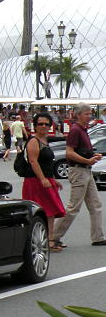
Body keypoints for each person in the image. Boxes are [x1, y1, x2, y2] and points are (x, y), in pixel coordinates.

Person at [52, 103, 106, 247]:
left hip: (85, 170)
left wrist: (92, 156)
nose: (89, 116)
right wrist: (88, 160)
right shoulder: (76, 130)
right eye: (86, 114)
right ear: (78, 115)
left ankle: (98, 237)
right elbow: (69, 153)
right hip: (79, 170)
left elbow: (79, 151)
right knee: (73, 207)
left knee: (95, 205)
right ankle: (54, 236)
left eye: (90, 113)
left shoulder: (82, 130)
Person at [21, 113, 66, 251]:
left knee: (50, 212)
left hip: (46, 180)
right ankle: (47, 241)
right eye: (40, 124)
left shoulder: (44, 140)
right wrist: (43, 179)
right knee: (44, 212)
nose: (44, 126)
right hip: (35, 182)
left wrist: (53, 179)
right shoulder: (34, 141)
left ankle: (48, 239)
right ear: (35, 125)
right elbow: (33, 162)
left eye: (46, 124)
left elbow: (46, 164)